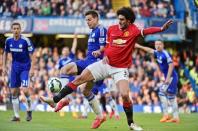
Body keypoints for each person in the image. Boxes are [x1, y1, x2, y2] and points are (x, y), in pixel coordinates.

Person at [40, 7, 173, 130]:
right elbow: (108, 46)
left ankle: (131, 123)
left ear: (129, 20)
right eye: (118, 19)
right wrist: (103, 53)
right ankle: (55, 99)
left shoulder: (134, 30)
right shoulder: (112, 29)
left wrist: (161, 28)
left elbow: (147, 30)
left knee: (125, 95)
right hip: (105, 63)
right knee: (80, 79)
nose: (119, 22)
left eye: (122, 19)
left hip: (120, 68)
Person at [42, 10, 107, 129]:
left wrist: (100, 52)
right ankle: (98, 115)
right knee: (65, 69)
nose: (87, 22)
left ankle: (56, 100)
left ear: (96, 18)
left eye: (89, 19)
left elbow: (104, 47)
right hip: (87, 61)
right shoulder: (93, 31)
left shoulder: (102, 29)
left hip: (96, 65)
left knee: (83, 88)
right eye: (86, 20)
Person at [135, 40, 180, 123]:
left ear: (163, 45)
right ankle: (175, 117)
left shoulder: (165, 53)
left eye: (159, 44)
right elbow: (149, 50)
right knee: (171, 97)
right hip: (169, 77)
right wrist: (139, 46)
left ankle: (166, 115)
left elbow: (171, 65)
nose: (158, 46)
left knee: (162, 93)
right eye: (156, 44)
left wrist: (167, 78)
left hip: (171, 77)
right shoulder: (157, 53)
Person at [2, 22, 34, 122]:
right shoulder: (8, 41)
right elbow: (5, 53)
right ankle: (16, 116)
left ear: (20, 30)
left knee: (25, 90)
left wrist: (32, 69)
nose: (16, 30)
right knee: (14, 92)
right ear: (12, 30)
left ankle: (29, 110)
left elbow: (32, 54)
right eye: (14, 28)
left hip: (25, 68)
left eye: (17, 28)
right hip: (14, 68)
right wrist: (3, 66)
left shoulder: (25, 40)